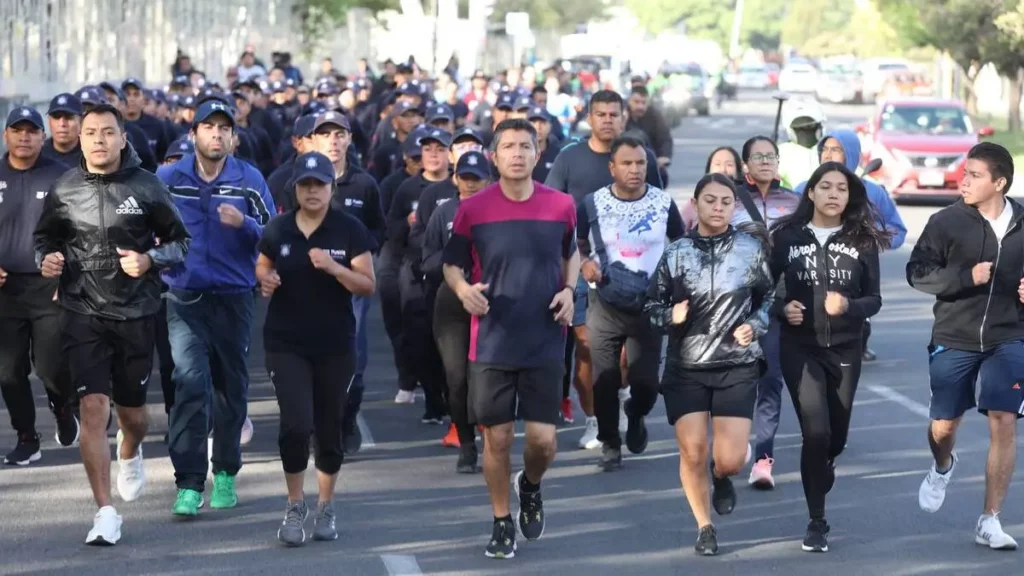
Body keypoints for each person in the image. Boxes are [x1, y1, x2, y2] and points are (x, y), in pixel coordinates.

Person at [33, 103, 190, 545]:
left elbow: (181, 242)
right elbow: (44, 237)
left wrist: (149, 258)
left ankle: (132, 448)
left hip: (136, 313)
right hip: (82, 311)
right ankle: (105, 512)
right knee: (93, 409)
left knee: (134, 416)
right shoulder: (64, 189)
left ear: (123, 138)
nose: (98, 140)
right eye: (90, 133)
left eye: (107, 132)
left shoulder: (147, 186)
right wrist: (45, 259)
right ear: (79, 139)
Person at [442, 119, 579, 559]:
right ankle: (502, 520)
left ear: (538, 154)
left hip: (543, 337)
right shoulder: (473, 208)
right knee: (497, 439)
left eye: (526, 146)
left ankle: (531, 484)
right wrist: (463, 291)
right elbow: (452, 264)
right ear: (494, 156)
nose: (517, 153)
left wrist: (570, 291)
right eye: (508, 147)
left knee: (543, 442)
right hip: (492, 340)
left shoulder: (560, 205)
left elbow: (571, 252)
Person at [645, 173, 774, 556]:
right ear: (696, 204)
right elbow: (650, 307)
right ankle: (704, 526)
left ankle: (722, 477)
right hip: (687, 366)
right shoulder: (677, 253)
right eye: (710, 201)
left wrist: (754, 325)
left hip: (736, 364)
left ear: (734, 207)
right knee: (693, 452)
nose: (718, 208)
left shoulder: (751, 250)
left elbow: (770, 298)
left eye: (725, 202)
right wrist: (672, 316)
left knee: (730, 460)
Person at [157, 100, 275, 517]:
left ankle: (224, 472)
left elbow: (273, 235)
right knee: (189, 381)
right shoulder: (169, 177)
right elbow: (145, 224)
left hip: (234, 297)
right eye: (209, 127)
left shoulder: (249, 179)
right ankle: (188, 483)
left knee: (230, 386)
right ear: (194, 135)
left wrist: (243, 224)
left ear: (233, 138)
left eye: (225, 128)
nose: (217, 135)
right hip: (183, 295)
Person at [907, 142, 1023, 551]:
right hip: (954, 337)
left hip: (1009, 336)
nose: (964, 179)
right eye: (965, 172)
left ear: (999, 182)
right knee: (945, 425)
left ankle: (990, 520)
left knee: (1003, 419)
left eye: (974, 175)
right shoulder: (946, 222)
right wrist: (964, 277)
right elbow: (917, 272)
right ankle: (942, 465)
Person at [255, 151, 375, 546]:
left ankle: (325, 504)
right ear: (295, 189)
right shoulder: (278, 228)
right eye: (305, 185)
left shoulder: (349, 229)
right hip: (285, 341)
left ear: (331, 187)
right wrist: (267, 278)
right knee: (295, 424)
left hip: (335, 343)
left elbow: (367, 284)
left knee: (327, 429)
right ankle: (294, 504)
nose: (312, 191)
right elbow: (262, 265)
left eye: (319, 184)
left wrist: (335, 268)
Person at [770, 161, 889, 553]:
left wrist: (849, 307)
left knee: (835, 437)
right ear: (811, 192)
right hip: (799, 347)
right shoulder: (785, 237)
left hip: (844, 347)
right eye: (826, 186)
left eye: (842, 188)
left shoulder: (862, 240)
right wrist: (782, 308)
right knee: (814, 432)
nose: (834, 194)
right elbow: (763, 291)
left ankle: (826, 460)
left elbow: (874, 299)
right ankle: (817, 521)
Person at [544, 90, 663, 451]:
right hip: (583, 267)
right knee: (587, 349)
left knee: (628, 355)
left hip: (635, 270)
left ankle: (624, 400)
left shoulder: (643, 158)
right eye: (601, 114)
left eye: (614, 113)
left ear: (624, 118)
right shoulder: (569, 159)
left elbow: (658, 211)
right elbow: (552, 210)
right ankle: (595, 420)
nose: (608, 119)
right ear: (590, 119)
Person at [577, 135, 685, 471]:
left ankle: (636, 414)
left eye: (640, 163)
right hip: (605, 303)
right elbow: (577, 241)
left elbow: (681, 244)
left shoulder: (662, 203)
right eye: (627, 163)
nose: (635, 169)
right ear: (612, 167)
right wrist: (584, 262)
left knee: (646, 383)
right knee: (605, 379)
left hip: (649, 306)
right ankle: (611, 443)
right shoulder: (591, 204)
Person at [0, 106, 77, 466]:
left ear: (41, 137)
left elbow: (79, 232)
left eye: (32, 131)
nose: (25, 137)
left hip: (50, 286)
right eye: (18, 130)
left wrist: (69, 271)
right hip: (5, 290)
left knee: (49, 365)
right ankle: (27, 437)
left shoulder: (61, 176)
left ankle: (62, 407)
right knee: (8, 369)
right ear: (6, 136)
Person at [793, 128, 907, 363]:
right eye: (824, 149)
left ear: (851, 154)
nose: (828, 154)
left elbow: (897, 230)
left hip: (853, 275)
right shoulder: (803, 189)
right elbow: (788, 227)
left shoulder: (873, 193)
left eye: (835, 149)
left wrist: (870, 238)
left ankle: (856, 345)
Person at [735, 136, 800, 491]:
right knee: (735, 380)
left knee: (771, 379)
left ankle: (763, 458)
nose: (765, 161)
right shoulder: (727, 197)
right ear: (745, 164)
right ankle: (736, 438)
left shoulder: (793, 201)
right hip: (730, 306)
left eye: (770, 156)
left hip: (774, 304)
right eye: (757, 156)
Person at [423, 150, 492, 470]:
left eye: (477, 178)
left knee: (488, 376)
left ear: (489, 180)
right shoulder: (444, 212)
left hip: (493, 299)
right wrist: (456, 263)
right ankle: (466, 443)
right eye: (466, 177)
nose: (471, 184)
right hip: (452, 300)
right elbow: (428, 259)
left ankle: (492, 435)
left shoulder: (500, 209)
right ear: (455, 179)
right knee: (457, 377)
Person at [387, 128, 453, 422]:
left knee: (449, 337)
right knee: (418, 334)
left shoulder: (458, 186)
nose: (434, 155)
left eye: (440, 149)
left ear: (449, 155)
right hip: (414, 267)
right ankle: (431, 398)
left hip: (450, 269)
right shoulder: (408, 188)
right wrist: (407, 222)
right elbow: (391, 232)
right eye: (428, 150)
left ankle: (452, 398)